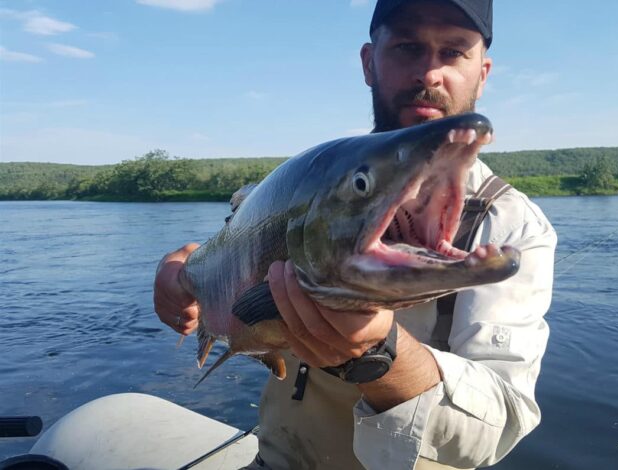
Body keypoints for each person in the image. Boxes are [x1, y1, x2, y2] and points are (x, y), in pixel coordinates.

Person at [153, 1, 557, 469]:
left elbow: (502, 424)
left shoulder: (512, 226)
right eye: (407, 47)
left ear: (482, 73)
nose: (429, 74)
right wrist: (180, 271)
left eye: (452, 51)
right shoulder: (313, 179)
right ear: (369, 62)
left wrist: (380, 352)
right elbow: (230, 267)